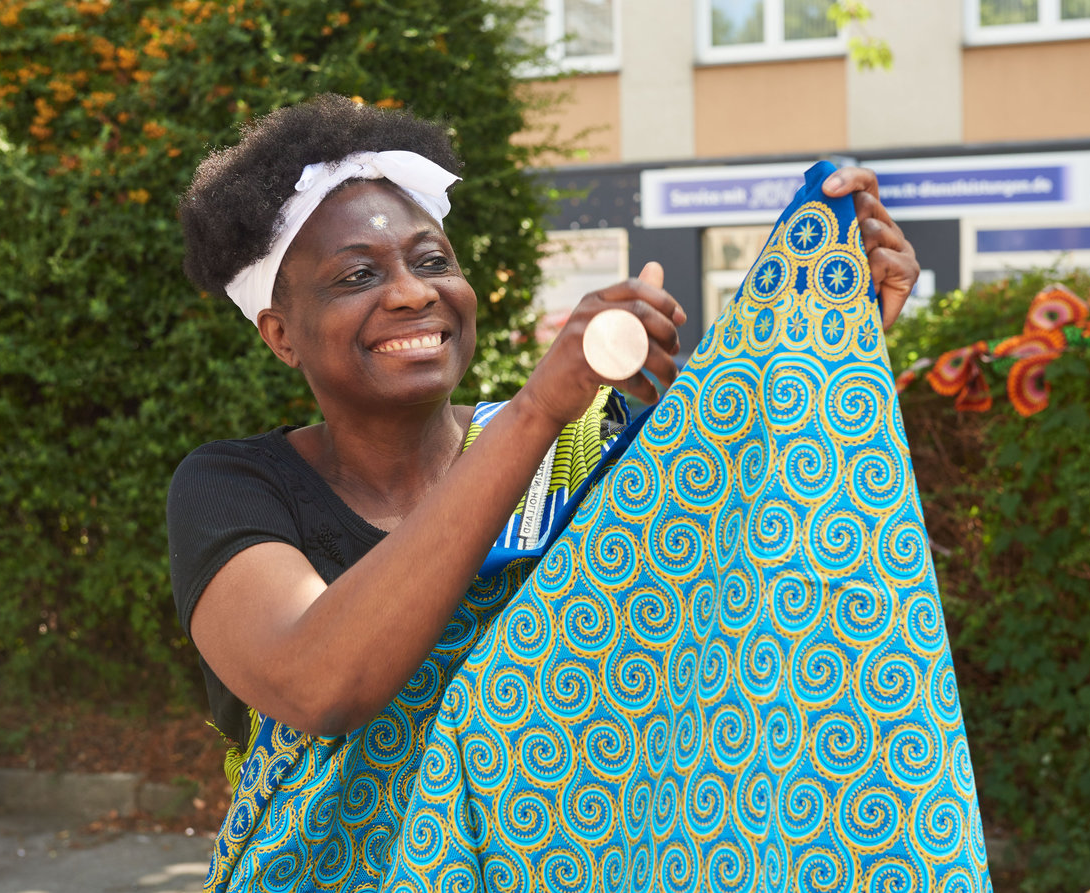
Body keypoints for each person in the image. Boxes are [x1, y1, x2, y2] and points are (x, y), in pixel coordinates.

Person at [169, 93, 920, 891]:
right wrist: (536, 410)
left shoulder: (587, 448)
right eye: (358, 274)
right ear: (280, 332)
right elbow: (319, 683)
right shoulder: (232, 486)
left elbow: (751, 579)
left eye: (431, 261)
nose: (413, 292)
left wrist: (832, 340)